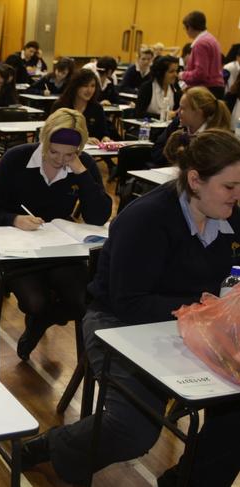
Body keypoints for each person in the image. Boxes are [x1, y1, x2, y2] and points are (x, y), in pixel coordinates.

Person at [20, 128, 240, 487]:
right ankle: (51, 448)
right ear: (196, 180)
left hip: (197, 325)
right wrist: (208, 308)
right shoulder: (146, 219)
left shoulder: (230, 216)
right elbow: (129, 303)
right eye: (229, 187)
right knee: (134, 431)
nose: (238, 195)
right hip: (118, 325)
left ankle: (189, 480)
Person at [0, 108, 112, 360]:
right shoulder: (15, 159)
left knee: (82, 301)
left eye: (69, 154)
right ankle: (39, 320)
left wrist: (81, 171)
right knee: (35, 303)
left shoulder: (80, 165)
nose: (59, 159)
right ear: (43, 140)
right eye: (53, 151)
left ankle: (40, 322)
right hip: (16, 252)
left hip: (61, 252)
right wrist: (14, 219)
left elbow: (98, 217)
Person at [151, 86, 230, 167]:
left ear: (198, 112)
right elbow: (156, 152)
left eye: (183, 108)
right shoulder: (177, 124)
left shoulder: (216, 135)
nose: (178, 112)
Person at [52, 69, 110, 144]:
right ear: (75, 86)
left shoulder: (97, 108)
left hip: (91, 152)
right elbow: (54, 133)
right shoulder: (61, 106)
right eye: (85, 86)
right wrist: (83, 140)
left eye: (93, 86)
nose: (89, 90)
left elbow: (103, 132)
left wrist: (105, 138)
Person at [179, 11, 224, 99]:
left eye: (185, 28)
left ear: (190, 27)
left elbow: (201, 73)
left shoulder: (201, 43)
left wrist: (182, 75)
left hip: (207, 89)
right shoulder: (211, 39)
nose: (186, 31)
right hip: (215, 88)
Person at [135, 55, 181, 119]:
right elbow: (139, 114)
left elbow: (177, 112)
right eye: (171, 71)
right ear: (160, 73)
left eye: (176, 71)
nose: (175, 75)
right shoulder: (147, 88)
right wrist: (161, 116)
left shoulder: (175, 88)